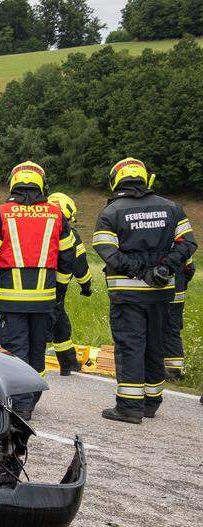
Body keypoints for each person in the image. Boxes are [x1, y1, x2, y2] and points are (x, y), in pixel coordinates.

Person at [0, 162, 77, 420]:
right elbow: (68, 257)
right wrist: (60, 289)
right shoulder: (55, 215)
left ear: (13, 184)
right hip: (44, 300)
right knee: (37, 349)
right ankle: (31, 399)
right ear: (41, 185)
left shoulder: (1, 214)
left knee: (15, 350)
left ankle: (20, 405)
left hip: (11, 299)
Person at [92, 157, 196, 424]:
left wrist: (139, 271)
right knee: (154, 345)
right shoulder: (171, 208)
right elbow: (187, 245)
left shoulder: (112, 213)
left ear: (116, 180)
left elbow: (107, 252)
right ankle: (151, 403)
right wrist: (164, 269)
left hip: (128, 295)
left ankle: (129, 407)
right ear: (144, 179)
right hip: (161, 293)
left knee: (130, 346)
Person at [45, 192, 94, 375]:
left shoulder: (37, 226)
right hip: (58, 286)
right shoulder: (71, 233)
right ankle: (30, 364)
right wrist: (86, 285)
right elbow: (79, 263)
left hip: (33, 283)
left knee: (60, 323)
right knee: (48, 323)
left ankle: (68, 363)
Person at [165, 257, 194, 380]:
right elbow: (190, 269)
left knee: (155, 330)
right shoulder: (183, 245)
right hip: (178, 296)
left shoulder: (158, 240)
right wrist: (181, 284)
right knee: (173, 331)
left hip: (160, 296)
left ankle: (165, 371)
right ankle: (174, 372)